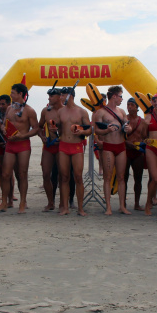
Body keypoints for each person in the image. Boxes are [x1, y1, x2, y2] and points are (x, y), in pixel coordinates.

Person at [0, 83, 38, 213]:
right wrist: (3, 129)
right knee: (5, 174)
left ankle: (22, 202)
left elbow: (36, 129)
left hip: (23, 144)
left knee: (22, 174)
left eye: (13, 92)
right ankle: (4, 202)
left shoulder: (29, 110)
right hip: (10, 144)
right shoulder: (9, 109)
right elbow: (4, 123)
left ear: (21, 94)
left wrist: (23, 135)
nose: (11, 94)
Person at [94, 85, 132, 215]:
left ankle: (122, 206)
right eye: (121, 96)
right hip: (109, 146)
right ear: (114, 96)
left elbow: (129, 126)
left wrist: (128, 129)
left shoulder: (121, 112)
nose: (122, 99)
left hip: (121, 146)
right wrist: (107, 130)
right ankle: (108, 207)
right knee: (107, 177)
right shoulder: (101, 112)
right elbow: (96, 130)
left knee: (121, 177)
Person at [57, 87, 93, 216]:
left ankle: (80, 208)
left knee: (78, 177)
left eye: (62, 95)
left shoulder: (81, 112)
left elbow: (89, 130)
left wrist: (82, 131)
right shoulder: (61, 111)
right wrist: (53, 128)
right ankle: (65, 207)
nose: (60, 97)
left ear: (69, 95)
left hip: (76, 146)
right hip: (63, 145)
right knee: (64, 177)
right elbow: (59, 131)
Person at [37, 86, 63, 211]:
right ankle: (50, 202)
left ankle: (63, 203)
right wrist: (42, 137)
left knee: (63, 176)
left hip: (61, 146)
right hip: (49, 146)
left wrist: (62, 135)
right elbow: (39, 126)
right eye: (49, 96)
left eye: (52, 96)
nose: (49, 98)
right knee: (46, 174)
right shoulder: (46, 111)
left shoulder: (65, 111)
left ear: (59, 97)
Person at [123, 97, 148, 211]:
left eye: (132, 105)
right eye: (128, 105)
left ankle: (137, 203)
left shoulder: (142, 122)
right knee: (124, 178)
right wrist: (127, 143)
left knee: (138, 178)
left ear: (137, 108)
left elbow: (145, 137)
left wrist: (141, 144)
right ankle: (122, 203)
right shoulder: (124, 119)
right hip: (126, 150)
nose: (129, 107)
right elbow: (119, 135)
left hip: (138, 152)